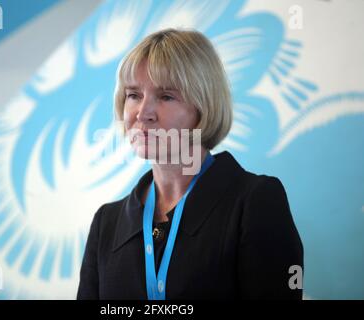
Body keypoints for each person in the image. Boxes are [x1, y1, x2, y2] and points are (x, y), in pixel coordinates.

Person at [77, 28, 303, 300]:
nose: (143, 113)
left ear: (203, 106)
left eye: (166, 96)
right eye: (134, 95)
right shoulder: (107, 222)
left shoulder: (255, 201)